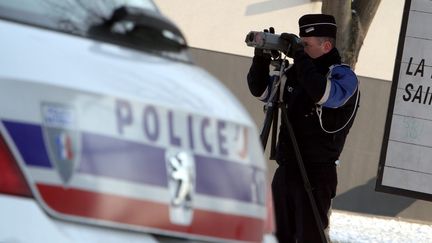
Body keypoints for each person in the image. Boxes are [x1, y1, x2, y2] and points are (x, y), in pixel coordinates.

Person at [247, 14, 360, 243]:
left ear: (326, 45)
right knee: (276, 236)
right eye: (300, 43)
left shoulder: (343, 76)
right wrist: (260, 58)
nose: (299, 48)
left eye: (305, 44)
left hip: (316, 175)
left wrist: (300, 58)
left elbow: (323, 94)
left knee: (309, 237)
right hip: (287, 168)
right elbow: (261, 91)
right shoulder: (295, 73)